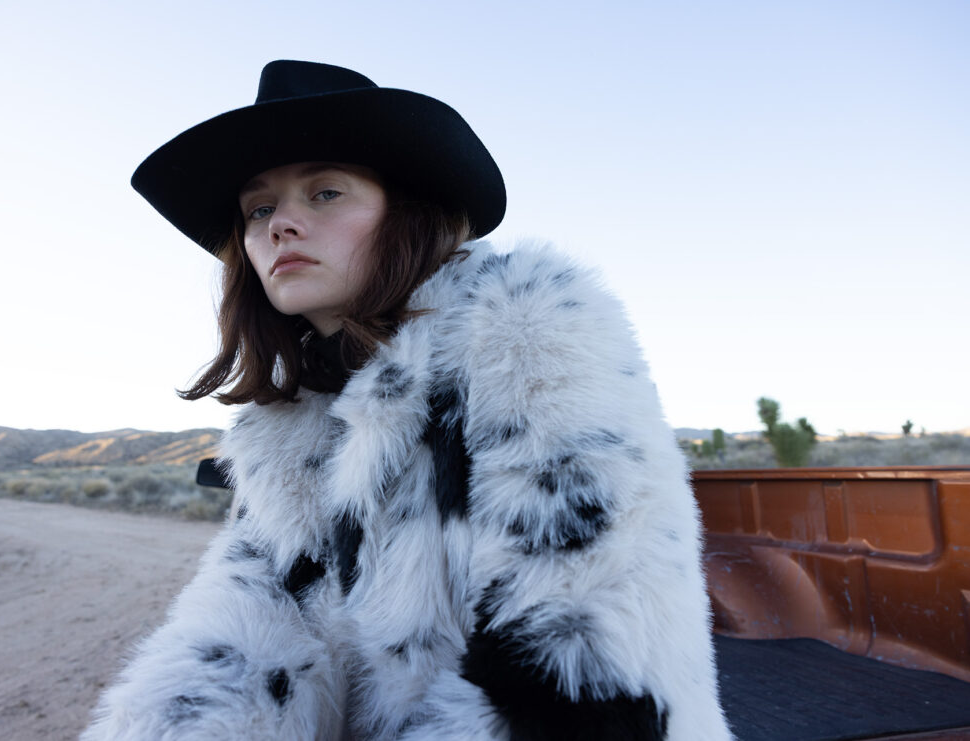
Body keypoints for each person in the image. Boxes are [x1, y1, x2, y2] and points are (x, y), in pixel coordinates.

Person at [84, 60, 731, 741]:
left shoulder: (527, 329)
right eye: (260, 209)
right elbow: (249, 629)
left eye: (325, 193)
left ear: (408, 213)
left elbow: (583, 653)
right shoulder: (283, 421)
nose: (282, 225)